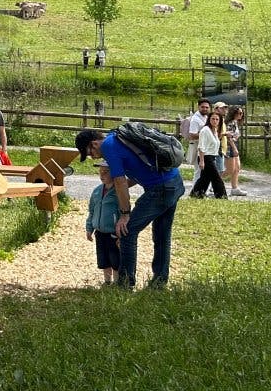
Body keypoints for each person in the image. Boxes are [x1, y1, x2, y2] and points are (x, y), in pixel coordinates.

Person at [75, 127, 184, 289]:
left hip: (160, 189)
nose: (91, 157)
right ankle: (159, 282)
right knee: (162, 235)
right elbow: (133, 172)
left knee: (126, 231)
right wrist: (119, 189)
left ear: (94, 144)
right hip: (174, 182)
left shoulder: (109, 147)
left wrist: (125, 215)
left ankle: (125, 284)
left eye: (89, 153)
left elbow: (120, 181)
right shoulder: (116, 137)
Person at [85, 160, 121, 286]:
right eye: (100, 172)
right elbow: (92, 210)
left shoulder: (118, 192)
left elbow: (123, 213)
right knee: (103, 259)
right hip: (99, 232)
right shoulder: (96, 191)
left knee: (115, 259)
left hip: (113, 232)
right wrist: (89, 228)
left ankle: (117, 283)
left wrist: (120, 234)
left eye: (106, 172)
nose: (102, 175)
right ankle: (107, 281)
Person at [190, 111, 228, 199]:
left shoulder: (214, 131)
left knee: (205, 178)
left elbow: (213, 143)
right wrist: (202, 161)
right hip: (206, 157)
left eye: (217, 119)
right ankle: (221, 195)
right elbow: (201, 146)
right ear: (209, 119)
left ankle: (197, 193)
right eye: (213, 119)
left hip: (212, 156)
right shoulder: (205, 130)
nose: (215, 121)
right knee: (216, 177)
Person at [224, 105, 246, 196]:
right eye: (239, 113)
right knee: (230, 169)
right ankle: (212, 182)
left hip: (234, 145)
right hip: (230, 147)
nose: (241, 115)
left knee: (237, 168)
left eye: (242, 113)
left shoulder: (235, 122)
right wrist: (234, 148)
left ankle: (235, 188)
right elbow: (229, 138)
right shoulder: (229, 123)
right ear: (233, 113)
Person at [184, 99, 212, 167]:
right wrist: (207, 134)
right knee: (198, 170)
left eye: (207, 107)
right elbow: (192, 135)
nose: (205, 109)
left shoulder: (205, 116)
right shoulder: (195, 119)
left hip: (204, 147)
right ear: (198, 107)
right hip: (197, 147)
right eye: (202, 107)